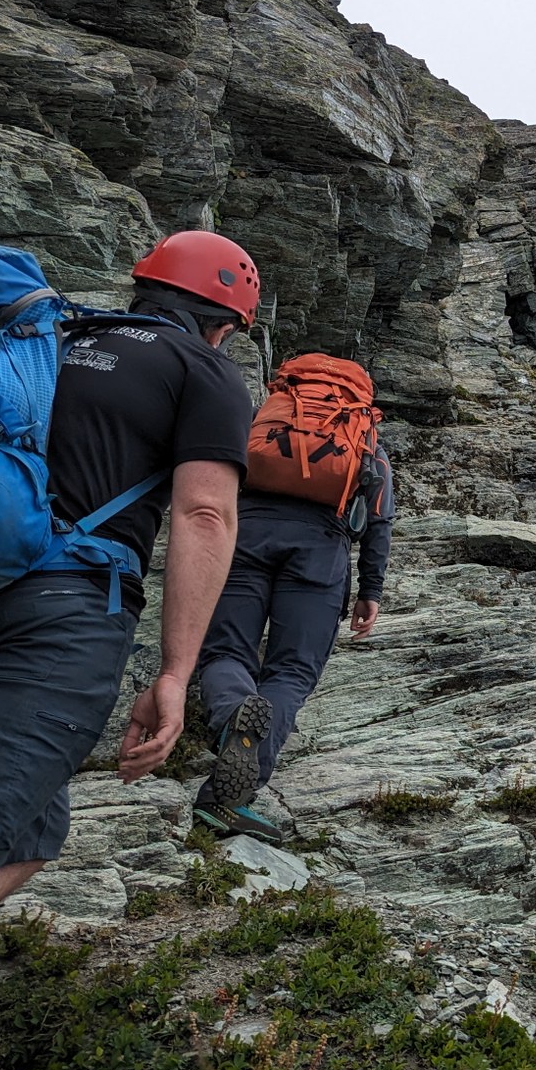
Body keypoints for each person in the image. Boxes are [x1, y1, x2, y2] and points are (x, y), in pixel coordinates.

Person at [0, 230, 259, 999]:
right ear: (224, 326)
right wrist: (175, 673)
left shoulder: (46, 337)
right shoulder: (201, 369)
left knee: (32, 827)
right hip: (57, 617)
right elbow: (204, 514)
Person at [193, 357, 393, 842]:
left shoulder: (263, 419)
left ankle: (233, 712)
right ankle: (228, 798)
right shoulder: (364, 437)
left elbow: (215, 474)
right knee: (292, 672)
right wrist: (370, 590)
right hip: (320, 552)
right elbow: (379, 518)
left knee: (224, 652)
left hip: (244, 539)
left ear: (287, 383)